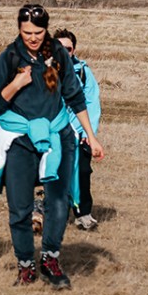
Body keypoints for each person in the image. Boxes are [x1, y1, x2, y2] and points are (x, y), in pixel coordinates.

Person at [0, 5, 105, 290]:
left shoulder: (58, 55)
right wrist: (16, 83)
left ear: (46, 29)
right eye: (26, 33)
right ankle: (25, 265)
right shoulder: (9, 57)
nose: (32, 38)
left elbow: (74, 96)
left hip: (59, 136)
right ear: (18, 29)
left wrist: (91, 136)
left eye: (38, 32)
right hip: (20, 140)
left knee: (58, 203)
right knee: (20, 207)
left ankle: (50, 258)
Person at [55, 28, 103, 231]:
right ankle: (55, 212)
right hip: (53, 132)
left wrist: (88, 135)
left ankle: (84, 214)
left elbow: (92, 103)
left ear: (74, 50)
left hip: (78, 132)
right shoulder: (42, 70)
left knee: (83, 171)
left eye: (68, 49)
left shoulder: (83, 72)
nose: (64, 53)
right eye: (60, 48)